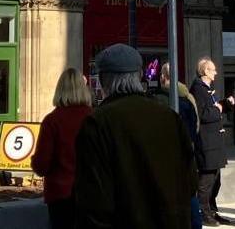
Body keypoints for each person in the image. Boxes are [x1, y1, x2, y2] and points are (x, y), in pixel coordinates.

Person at [73, 44, 197, 229]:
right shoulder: (169, 116)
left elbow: (94, 198)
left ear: (102, 80)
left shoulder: (97, 122)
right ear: (139, 75)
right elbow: (190, 180)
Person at [32, 67, 93, 229]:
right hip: (90, 193)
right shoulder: (94, 118)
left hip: (60, 194)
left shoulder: (52, 121)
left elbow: (41, 165)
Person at [159, 69, 206, 228]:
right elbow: (195, 127)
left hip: (170, 155)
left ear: (164, 77)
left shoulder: (161, 100)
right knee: (189, 195)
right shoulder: (188, 98)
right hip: (187, 153)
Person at [189, 58, 229, 225]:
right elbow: (203, 114)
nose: (216, 73)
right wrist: (217, 109)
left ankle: (212, 211)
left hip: (214, 142)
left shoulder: (207, 89)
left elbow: (212, 110)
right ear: (205, 71)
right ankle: (204, 213)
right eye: (213, 70)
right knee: (206, 181)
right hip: (206, 143)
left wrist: (224, 105)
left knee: (216, 180)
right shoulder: (198, 89)